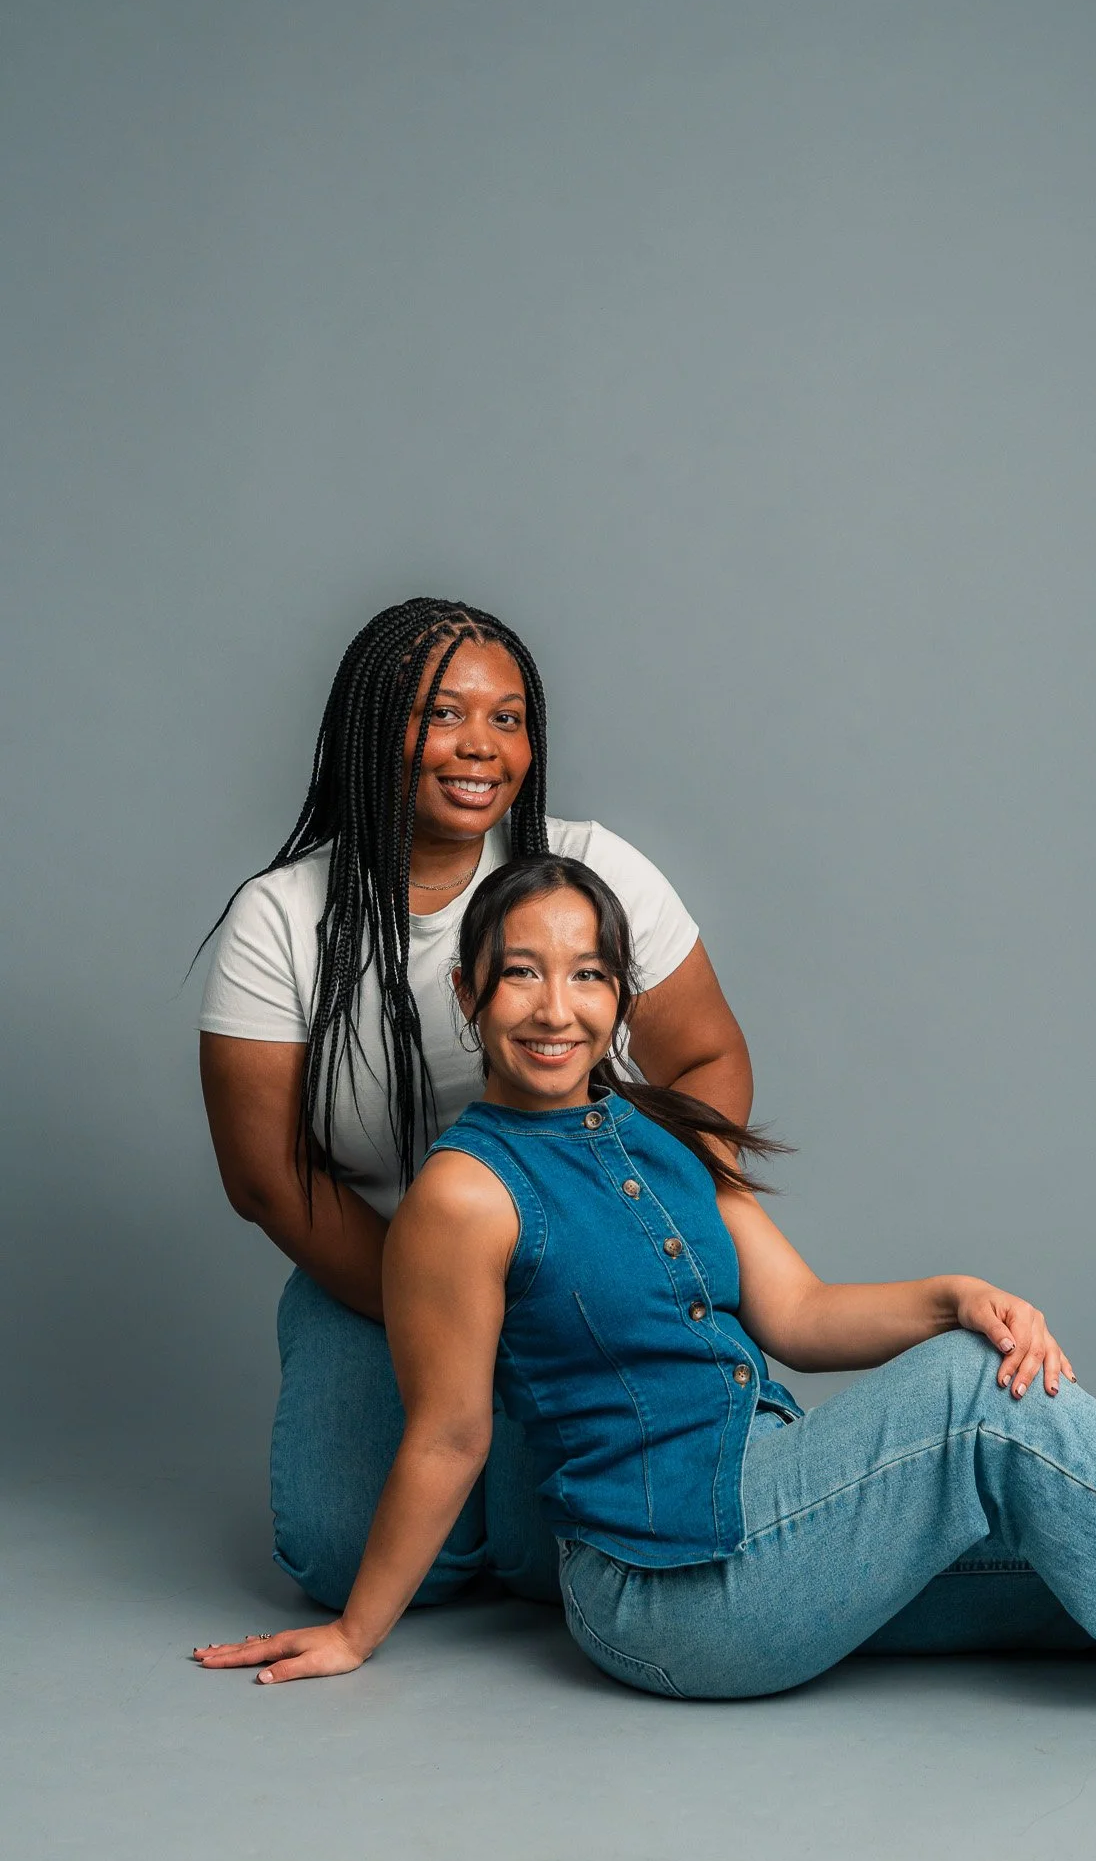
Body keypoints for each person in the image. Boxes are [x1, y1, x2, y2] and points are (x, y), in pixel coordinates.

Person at [195, 858, 1096, 1716]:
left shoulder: (661, 1130)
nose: (556, 1008)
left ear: (620, 995)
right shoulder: (464, 1193)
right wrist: (355, 1631)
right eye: (521, 976)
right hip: (673, 1595)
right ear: (469, 995)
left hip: (778, 1508)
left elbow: (799, 1315)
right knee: (975, 1395)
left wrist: (955, 1291)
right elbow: (449, 1434)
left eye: (589, 974)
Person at [199, 598, 753, 1610]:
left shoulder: (592, 870)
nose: (480, 746)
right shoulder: (281, 916)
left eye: (508, 717)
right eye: (443, 713)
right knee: (341, 1556)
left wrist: (654, 1240)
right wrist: (442, 1315)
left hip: (578, 1265)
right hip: (379, 1269)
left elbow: (708, 1057)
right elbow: (267, 1179)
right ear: (375, 728)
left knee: (565, 1558)